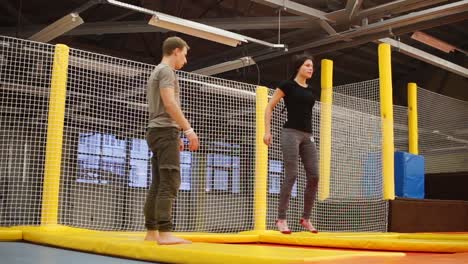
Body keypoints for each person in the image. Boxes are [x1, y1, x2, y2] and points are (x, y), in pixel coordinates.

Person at [144, 36, 199, 245]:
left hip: (158, 131)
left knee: (158, 183)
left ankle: (152, 232)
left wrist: (175, 131)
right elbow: (169, 104)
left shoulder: (157, 71)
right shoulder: (166, 71)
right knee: (170, 181)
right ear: (176, 51)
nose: (185, 60)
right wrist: (188, 130)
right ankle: (165, 233)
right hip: (164, 131)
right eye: (184, 55)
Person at [263, 54, 319, 234]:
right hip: (290, 134)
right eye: (308, 65)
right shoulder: (287, 85)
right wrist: (267, 131)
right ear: (299, 67)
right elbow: (269, 106)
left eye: (312, 66)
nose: (311, 68)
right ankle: (281, 219)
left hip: (308, 135)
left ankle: (306, 218)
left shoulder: (312, 90)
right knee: (292, 174)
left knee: (314, 176)